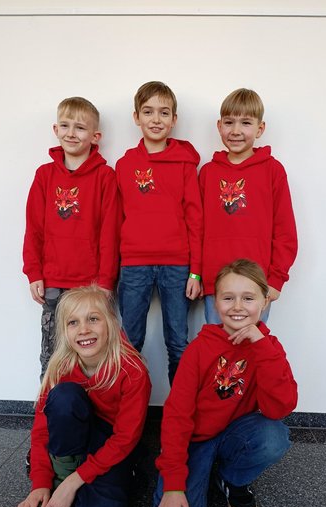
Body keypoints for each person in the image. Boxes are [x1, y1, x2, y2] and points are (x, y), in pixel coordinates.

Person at [154, 259, 297, 507]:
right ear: (216, 302)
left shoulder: (270, 348)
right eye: (228, 298)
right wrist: (173, 484)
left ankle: (231, 478)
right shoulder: (198, 350)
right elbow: (176, 415)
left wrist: (260, 346)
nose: (238, 307)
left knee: (274, 436)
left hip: (234, 434)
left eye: (248, 298)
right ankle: (198, 469)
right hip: (196, 440)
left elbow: (279, 408)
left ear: (264, 302)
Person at [15, 285, 151, 507]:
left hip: (111, 442)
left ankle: (95, 476)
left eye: (93, 319)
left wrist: (75, 482)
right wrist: (40, 483)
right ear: (64, 331)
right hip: (75, 435)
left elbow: (125, 438)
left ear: (110, 323)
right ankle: (62, 471)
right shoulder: (59, 368)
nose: (84, 329)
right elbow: (42, 430)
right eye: (73, 322)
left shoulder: (133, 370)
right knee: (64, 397)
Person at [23, 97, 121, 379]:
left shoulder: (105, 177)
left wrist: (105, 282)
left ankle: (91, 407)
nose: (71, 133)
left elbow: (110, 233)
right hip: (53, 281)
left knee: (93, 354)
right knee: (52, 353)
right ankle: (49, 405)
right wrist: (34, 272)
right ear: (56, 129)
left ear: (95, 136)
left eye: (80, 127)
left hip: (91, 285)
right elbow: (34, 228)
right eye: (65, 126)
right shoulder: (44, 175)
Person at [116, 81, 203, 385]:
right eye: (148, 112)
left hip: (177, 265)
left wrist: (196, 272)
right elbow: (116, 219)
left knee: (178, 342)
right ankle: (127, 408)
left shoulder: (185, 164)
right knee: (129, 342)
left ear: (174, 119)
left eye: (164, 113)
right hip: (134, 264)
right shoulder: (124, 165)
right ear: (136, 117)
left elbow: (195, 219)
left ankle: (179, 410)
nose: (156, 119)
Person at [199, 88, 298, 324]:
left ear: (260, 129)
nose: (236, 131)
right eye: (229, 122)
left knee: (254, 345)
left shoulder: (273, 171)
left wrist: (276, 280)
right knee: (216, 345)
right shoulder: (208, 173)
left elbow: (285, 230)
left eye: (245, 123)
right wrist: (199, 275)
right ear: (219, 126)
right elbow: (197, 228)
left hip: (256, 285)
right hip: (216, 285)